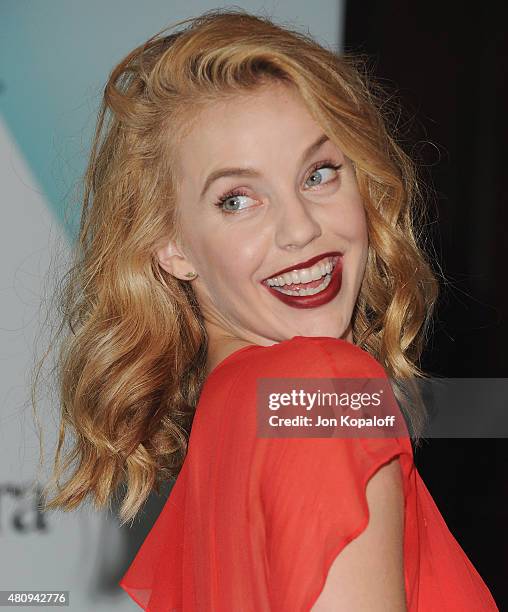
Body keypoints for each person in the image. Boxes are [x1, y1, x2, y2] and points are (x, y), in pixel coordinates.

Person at [35, 8, 499, 611]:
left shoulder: (226, 437)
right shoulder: (321, 394)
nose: (301, 229)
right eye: (237, 199)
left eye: (320, 173)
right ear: (171, 247)